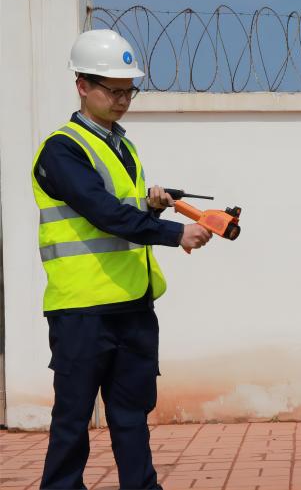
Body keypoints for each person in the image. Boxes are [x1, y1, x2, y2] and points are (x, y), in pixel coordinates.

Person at [32, 29, 212, 490]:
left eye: (129, 90)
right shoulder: (62, 149)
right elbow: (103, 213)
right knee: (72, 421)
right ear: (81, 85)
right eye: (112, 90)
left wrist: (150, 204)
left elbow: (122, 209)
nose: (122, 100)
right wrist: (175, 233)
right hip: (82, 309)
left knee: (132, 417)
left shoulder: (123, 146)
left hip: (132, 304)